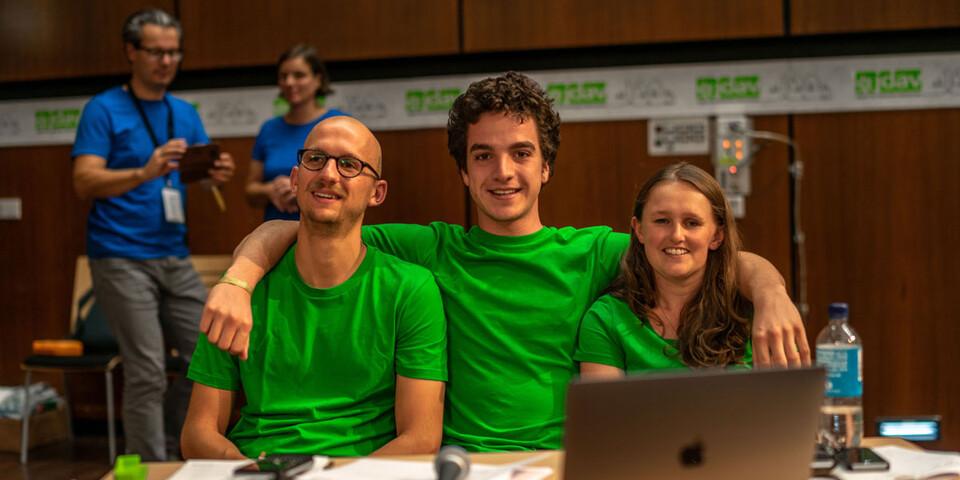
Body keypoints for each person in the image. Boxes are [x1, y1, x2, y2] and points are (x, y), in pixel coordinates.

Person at [201, 72, 809, 451]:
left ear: (546, 167)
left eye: (521, 153)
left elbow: (715, 253)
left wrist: (774, 293)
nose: (503, 172)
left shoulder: (593, 250)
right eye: (484, 156)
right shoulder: (430, 249)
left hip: (568, 459)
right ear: (464, 172)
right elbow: (298, 225)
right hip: (462, 462)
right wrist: (238, 278)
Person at [180, 117, 447, 459]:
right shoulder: (239, 292)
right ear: (295, 179)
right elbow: (197, 434)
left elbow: (421, 438)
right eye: (315, 159)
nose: (329, 174)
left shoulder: (410, 289)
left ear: (377, 193)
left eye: (349, 164)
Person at [71, 8, 235, 460]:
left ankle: (176, 445)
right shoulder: (104, 109)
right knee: (144, 369)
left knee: (209, 352)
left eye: (174, 52)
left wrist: (214, 173)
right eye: (157, 52)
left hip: (172, 254)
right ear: (131, 52)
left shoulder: (182, 112)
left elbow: (195, 171)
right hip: (119, 255)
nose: (167, 60)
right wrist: (144, 171)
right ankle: (150, 468)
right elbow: (84, 181)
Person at [577, 163, 753, 378]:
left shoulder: (752, 311)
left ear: (716, 236)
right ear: (639, 230)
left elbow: (781, 403)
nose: (677, 235)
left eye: (692, 223)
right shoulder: (607, 318)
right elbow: (602, 410)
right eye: (662, 221)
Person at [245, 44, 348, 221]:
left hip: (327, 231)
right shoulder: (269, 129)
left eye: (299, 75)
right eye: (284, 76)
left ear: (318, 79)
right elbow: (250, 190)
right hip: (277, 235)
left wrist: (299, 188)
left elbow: (354, 183)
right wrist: (270, 190)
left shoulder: (339, 124)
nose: (289, 82)